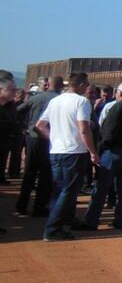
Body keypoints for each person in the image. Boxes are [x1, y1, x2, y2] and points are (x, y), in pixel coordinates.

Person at [35, 72, 99, 241]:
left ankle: (59, 222)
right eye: (86, 84)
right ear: (81, 85)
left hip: (56, 151)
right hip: (74, 152)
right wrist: (92, 151)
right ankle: (53, 228)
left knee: (59, 189)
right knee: (68, 191)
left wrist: (54, 138)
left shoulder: (55, 101)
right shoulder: (82, 102)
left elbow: (40, 125)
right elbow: (84, 129)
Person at [76, 82, 122, 230]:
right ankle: (120, 220)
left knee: (101, 187)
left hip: (113, 151)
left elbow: (108, 130)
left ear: (120, 93)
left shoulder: (118, 107)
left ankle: (91, 221)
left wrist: (100, 148)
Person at [15, 76, 63, 217]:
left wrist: (23, 127)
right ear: (61, 86)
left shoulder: (35, 98)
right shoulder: (59, 100)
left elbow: (18, 111)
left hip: (32, 138)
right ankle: (39, 208)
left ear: (48, 84)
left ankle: (21, 206)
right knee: (45, 175)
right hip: (49, 138)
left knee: (29, 173)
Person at [0, 78, 20, 184]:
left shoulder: (10, 106)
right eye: (12, 90)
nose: (14, 92)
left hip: (6, 141)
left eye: (15, 90)